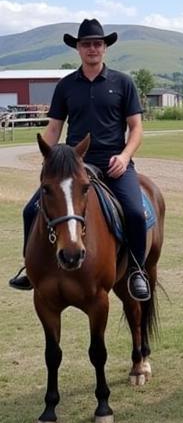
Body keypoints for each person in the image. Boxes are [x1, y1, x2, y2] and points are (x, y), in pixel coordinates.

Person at [8, 19, 151, 301]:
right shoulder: (65, 86)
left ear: (105, 48)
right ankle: (30, 267)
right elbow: (53, 128)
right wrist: (48, 163)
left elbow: (136, 128)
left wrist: (124, 157)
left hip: (114, 165)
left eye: (97, 43)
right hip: (74, 167)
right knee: (29, 210)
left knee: (135, 212)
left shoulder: (123, 83)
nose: (92, 49)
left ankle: (137, 270)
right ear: (78, 49)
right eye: (86, 44)